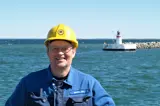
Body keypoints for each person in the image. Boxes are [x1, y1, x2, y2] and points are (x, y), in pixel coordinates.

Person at [5, 24, 115, 106]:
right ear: (48, 52)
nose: (60, 53)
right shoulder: (28, 83)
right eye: (55, 48)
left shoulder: (88, 84)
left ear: (74, 52)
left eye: (65, 48)